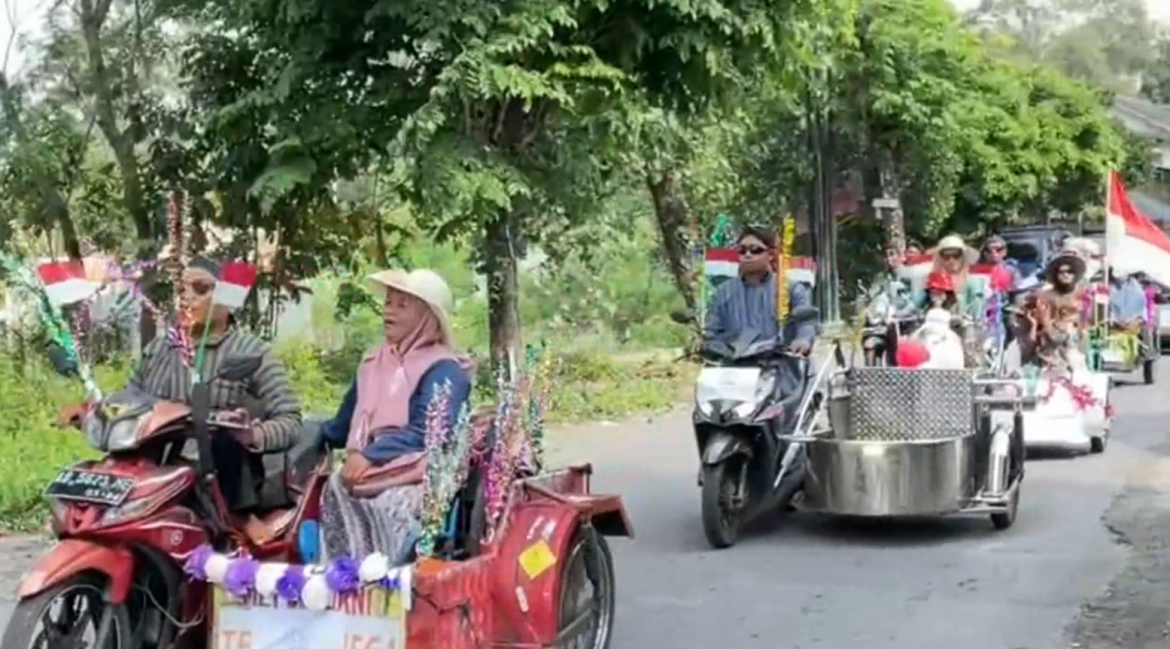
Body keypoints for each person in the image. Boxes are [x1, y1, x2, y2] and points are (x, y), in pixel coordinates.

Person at [59, 256, 304, 512]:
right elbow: (129, 401)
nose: (186, 298)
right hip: (153, 475)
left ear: (227, 301)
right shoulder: (158, 349)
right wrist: (91, 411)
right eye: (182, 289)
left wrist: (253, 435)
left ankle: (246, 525)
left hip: (219, 482)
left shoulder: (251, 351)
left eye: (200, 289)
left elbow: (291, 421)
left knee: (225, 441)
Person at [318, 268, 471, 563]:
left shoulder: (445, 369)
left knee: (390, 503)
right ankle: (340, 580)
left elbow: (428, 433)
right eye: (389, 302)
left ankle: (381, 580)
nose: (390, 310)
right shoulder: (373, 363)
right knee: (334, 486)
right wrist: (308, 433)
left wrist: (370, 455)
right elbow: (343, 425)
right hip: (365, 468)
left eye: (403, 305)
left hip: (417, 471)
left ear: (428, 317)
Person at [705, 226, 816, 354]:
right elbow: (712, 331)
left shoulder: (791, 288)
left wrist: (803, 340)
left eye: (755, 250)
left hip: (779, 364)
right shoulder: (722, 292)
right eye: (742, 250)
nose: (747, 255)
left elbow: (806, 324)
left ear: (770, 255)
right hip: (733, 365)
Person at [1015, 247, 1086, 372]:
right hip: (1049, 354)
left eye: (1070, 271)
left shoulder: (1083, 296)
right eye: (1061, 271)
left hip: (1075, 351)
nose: (1066, 274)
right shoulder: (1042, 296)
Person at [912, 234, 984, 320]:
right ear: (939, 258)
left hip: (963, 328)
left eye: (956, 255)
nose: (951, 260)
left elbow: (977, 311)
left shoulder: (974, 282)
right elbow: (916, 306)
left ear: (963, 257)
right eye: (946, 256)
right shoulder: (931, 280)